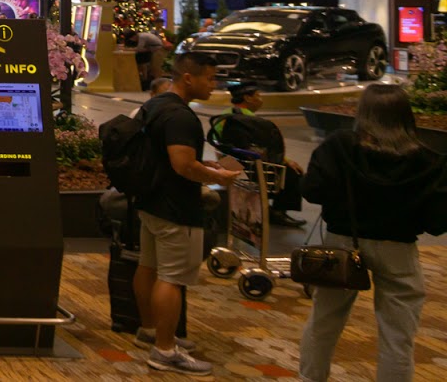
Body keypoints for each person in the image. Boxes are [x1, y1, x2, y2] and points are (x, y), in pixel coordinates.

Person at [299, 83, 447, 382]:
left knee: (324, 322)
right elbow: (437, 221)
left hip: (342, 244)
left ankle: (310, 378)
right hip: (399, 250)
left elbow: (312, 191)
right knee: (398, 336)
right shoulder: (428, 161)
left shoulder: (339, 146)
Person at [132, 51, 242, 376]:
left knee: (148, 267)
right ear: (189, 78)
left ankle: (150, 330)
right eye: (210, 78)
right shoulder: (181, 117)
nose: (214, 85)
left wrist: (202, 164)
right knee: (172, 278)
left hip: (151, 201)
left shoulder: (154, 105)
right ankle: (165, 351)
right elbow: (182, 165)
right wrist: (216, 176)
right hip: (176, 208)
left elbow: (165, 155)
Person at [210, 83, 306, 227]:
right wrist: (286, 161)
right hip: (251, 168)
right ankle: (279, 212)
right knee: (292, 172)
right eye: (258, 95)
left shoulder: (223, 116)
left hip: (229, 162)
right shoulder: (253, 122)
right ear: (247, 98)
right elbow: (267, 149)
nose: (260, 99)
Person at [134, 24, 165, 90]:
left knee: (156, 69)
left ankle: (159, 87)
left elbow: (139, 48)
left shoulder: (142, 37)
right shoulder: (143, 35)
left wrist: (132, 49)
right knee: (153, 68)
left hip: (157, 50)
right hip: (155, 50)